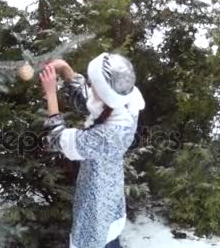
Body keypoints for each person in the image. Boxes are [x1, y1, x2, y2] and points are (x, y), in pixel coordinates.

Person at [39, 53, 145, 248]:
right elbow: (90, 99)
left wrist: (51, 94)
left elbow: (57, 139)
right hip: (110, 186)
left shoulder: (111, 135)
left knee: (95, 237)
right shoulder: (124, 99)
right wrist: (65, 69)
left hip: (97, 196)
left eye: (92, 83)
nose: (89, 85)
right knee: (109, 238)